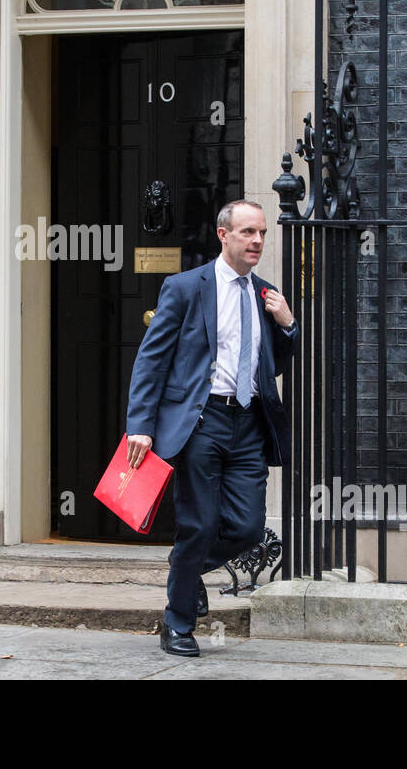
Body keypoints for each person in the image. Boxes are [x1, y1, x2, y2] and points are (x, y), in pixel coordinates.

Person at [125, 199, 298, 657]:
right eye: (247, 232)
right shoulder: (185, 288)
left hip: (250, 424)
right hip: (202, 422)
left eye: (261, 232)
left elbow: (272, 366)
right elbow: (152, 358)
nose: (257, 240)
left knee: (248, 527)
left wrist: (288, 325)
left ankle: (186, 572)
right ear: (223, 235)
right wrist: (140, 424)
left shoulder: (265, 295)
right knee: (198, 525)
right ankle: (177, 624)